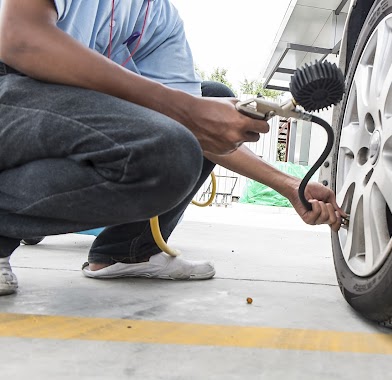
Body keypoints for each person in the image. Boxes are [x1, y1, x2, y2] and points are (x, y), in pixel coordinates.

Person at [0, 0, 344, 296]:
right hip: (9, 89)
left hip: (58, 112)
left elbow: (199, 129)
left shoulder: (158, 16)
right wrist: (189, 111)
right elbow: (21, 39)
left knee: (209, 102)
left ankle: (128, 251)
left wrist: (289, 186)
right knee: (182, 126)